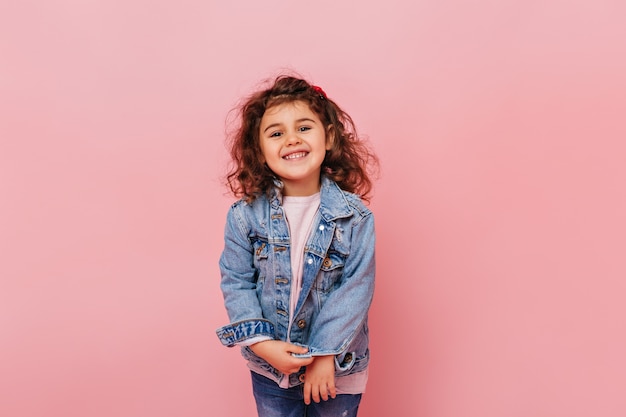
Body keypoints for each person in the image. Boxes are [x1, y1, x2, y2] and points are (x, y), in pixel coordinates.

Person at [216, 74, 378, 417]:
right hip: (272, 369)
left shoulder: (356, 218)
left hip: (337, 368)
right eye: (276, 133)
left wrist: (324, 354)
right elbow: (236, 281)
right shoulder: (245, 216)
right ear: (259, 150)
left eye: (303, 128)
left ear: (328, 135)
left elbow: (355, 289)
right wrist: (263, 345)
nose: (291, 139)